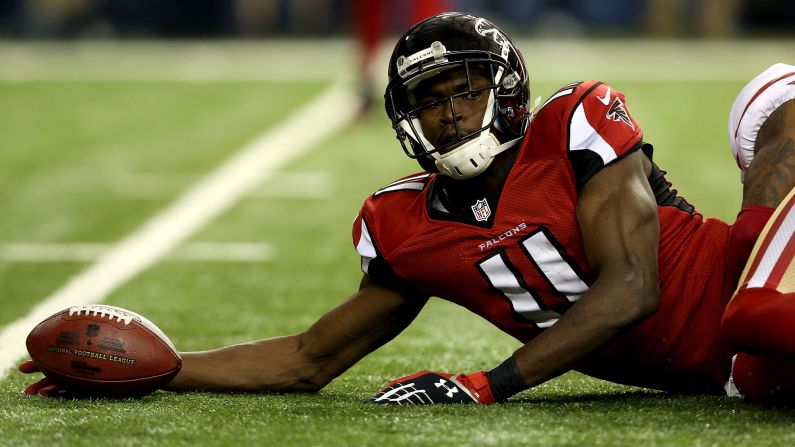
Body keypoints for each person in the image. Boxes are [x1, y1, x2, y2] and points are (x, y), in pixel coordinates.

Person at [19, 12, 795, 405]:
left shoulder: (573, 125)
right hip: (744, 374)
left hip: (759, 289)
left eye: (466, 89)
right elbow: (307, 359)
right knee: (752, 339)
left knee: (774, 102)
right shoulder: (401, 226)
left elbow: (631, 289)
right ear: (405, 119)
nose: (451, 112)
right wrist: (157, 373)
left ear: (508, 92)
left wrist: (485, 384)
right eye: (430, 100)